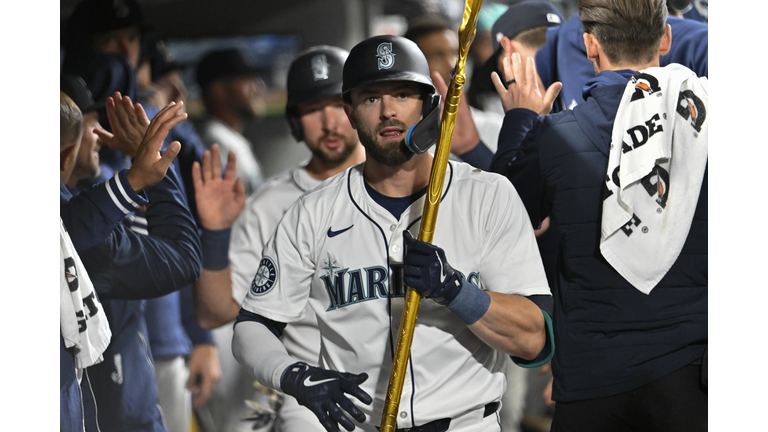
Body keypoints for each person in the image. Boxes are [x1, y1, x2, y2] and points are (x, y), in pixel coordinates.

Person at [231, 35, 554, 432]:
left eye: (402, 94)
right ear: (350, 112)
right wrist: (293, 375)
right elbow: (253, 324)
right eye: (370, 98)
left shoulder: (487, 195)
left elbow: (535, 338)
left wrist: (457, 292)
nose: (388, 111)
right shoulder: (312, 212)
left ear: (429, 103)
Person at [490, 0, 707, 430]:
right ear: (665, 38)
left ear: (590, 45)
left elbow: (505, 217)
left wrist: (520, 118)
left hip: (593, 383)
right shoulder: (710, 122)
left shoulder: (555, 134)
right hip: (692, 379)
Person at [193, 45, 365, 432]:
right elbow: (216, 312)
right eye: (311, 109)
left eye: (338, 105)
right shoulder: (270, 203)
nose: (328, 122)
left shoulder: (402, 186)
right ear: (294, 121)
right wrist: (216, 232)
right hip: (312, 397)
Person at [61, 74, 201, 432]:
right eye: (89, 123)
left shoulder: (91, 202)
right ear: (65, 154)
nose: (97, 133)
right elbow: (183, 259)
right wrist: (147, 175)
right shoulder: (79, 233)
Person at [196, 48, 267, 196]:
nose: (258, 88)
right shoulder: (215, 142)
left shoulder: (229, 137)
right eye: (247, 80)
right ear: (219, 91)